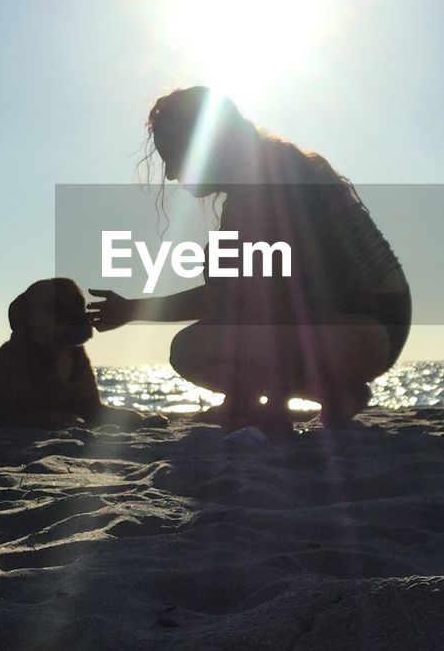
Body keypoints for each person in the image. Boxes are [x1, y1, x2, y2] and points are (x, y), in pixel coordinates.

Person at [88, 87, 411, 430]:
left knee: (192, 349)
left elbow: (276, 295)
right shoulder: (267, 175)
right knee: (195, 345)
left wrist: (274, 405)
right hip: (365, 332)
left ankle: (267, 400)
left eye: (172, 156)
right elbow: (233, 298)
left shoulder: (272, 182)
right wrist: (133, 309)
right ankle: (333, 392)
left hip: (362, 332)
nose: (169, 174)